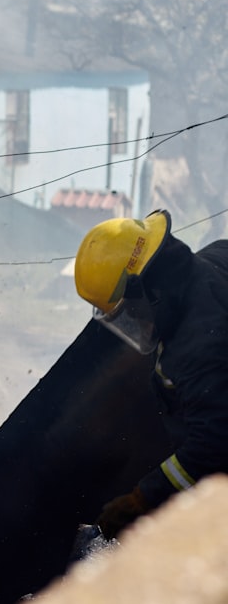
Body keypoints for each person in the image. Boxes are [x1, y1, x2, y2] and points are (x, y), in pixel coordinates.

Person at [74, 208, 228, 539]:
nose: (136, 322)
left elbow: (214, 445)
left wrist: (143, 497)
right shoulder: (215, 257)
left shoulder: (195, 347)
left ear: (150, 290)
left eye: (130, 312)